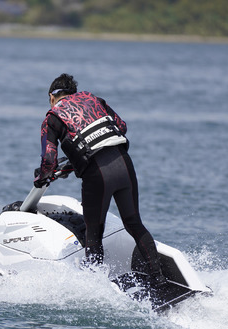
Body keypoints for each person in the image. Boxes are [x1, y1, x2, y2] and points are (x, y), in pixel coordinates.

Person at [34, 73, 167, 287]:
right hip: (124, 164)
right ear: (73, 93)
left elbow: (48, 159)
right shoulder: (93, 99)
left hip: (98, 175)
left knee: (94, 233)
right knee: (134, 224)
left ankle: (95, 285)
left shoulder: (52, 117)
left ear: (52, 96)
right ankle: (159, 280)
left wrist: (42, 178)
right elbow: (121, 126)